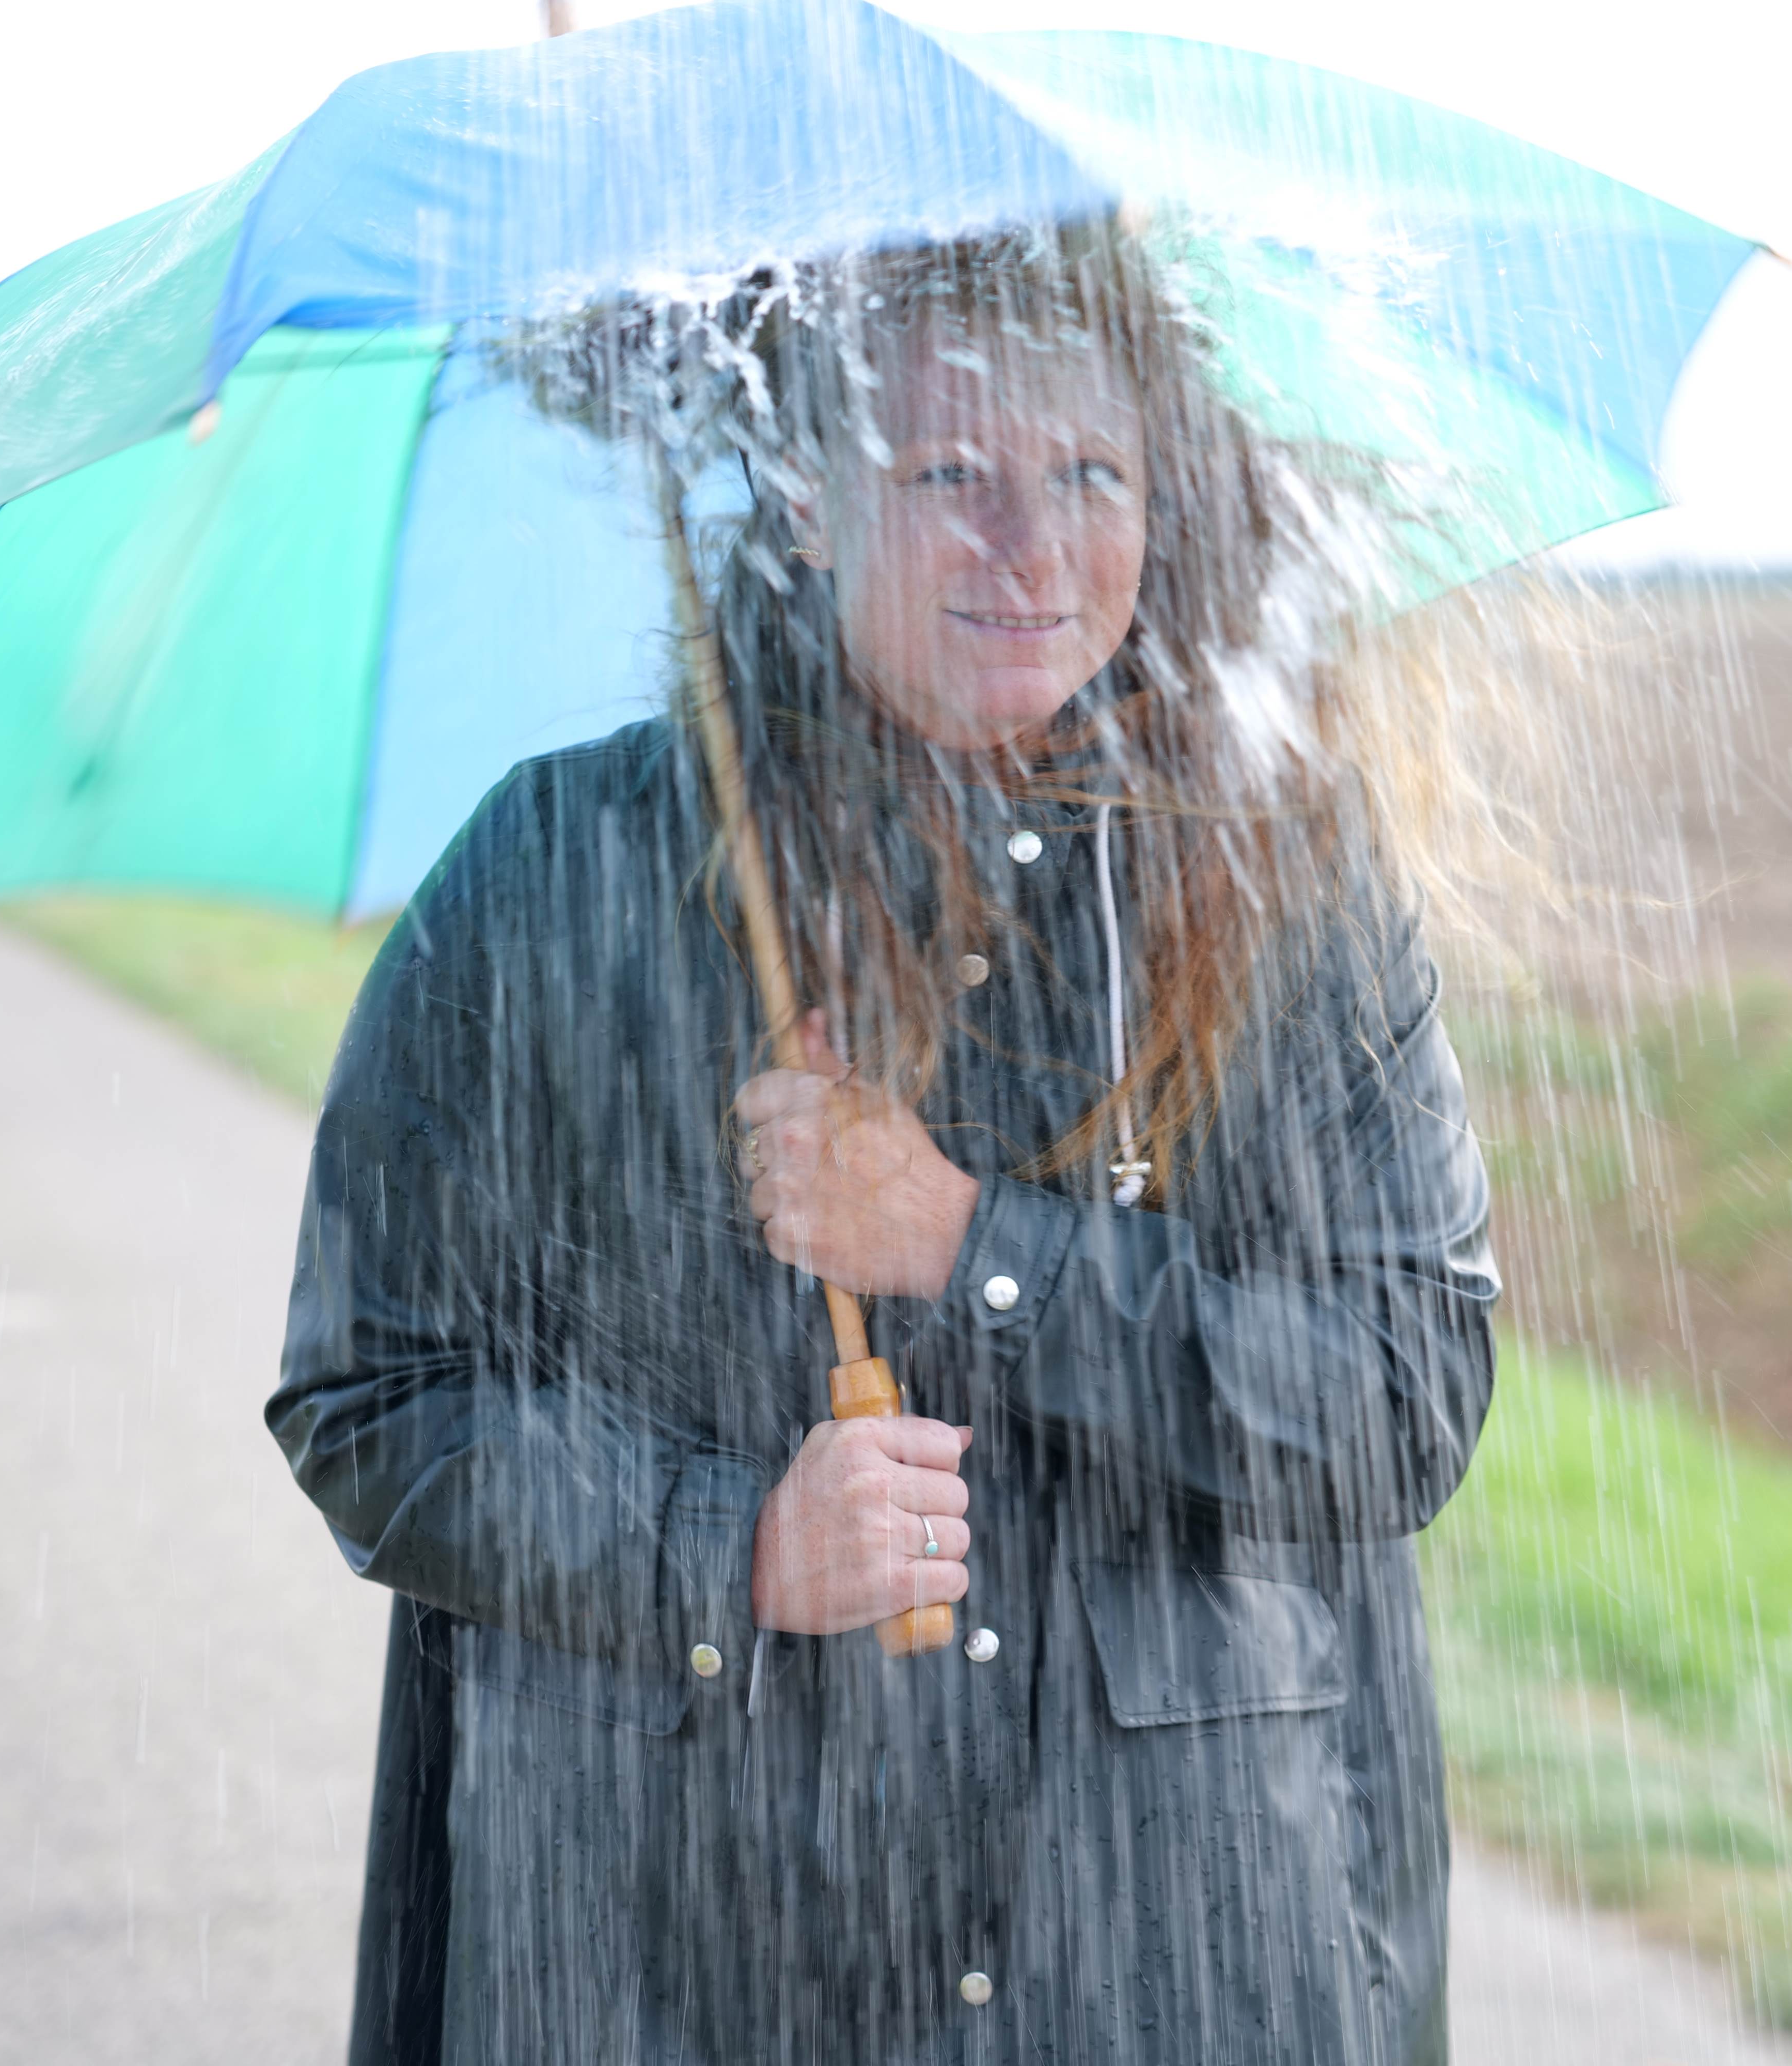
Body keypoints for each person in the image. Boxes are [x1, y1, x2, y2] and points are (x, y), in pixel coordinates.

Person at [269, 228, 1497, 2066]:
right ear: (808, 500)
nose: (1035, 546)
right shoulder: (553, 877)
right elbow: (370, 1398)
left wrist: (967, 1246)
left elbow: (1402, 1401)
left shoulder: (1286, 893)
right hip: (683, 1964)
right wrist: (729, 1551)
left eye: (1093, 475)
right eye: (952, 476)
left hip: (1175, 1975)